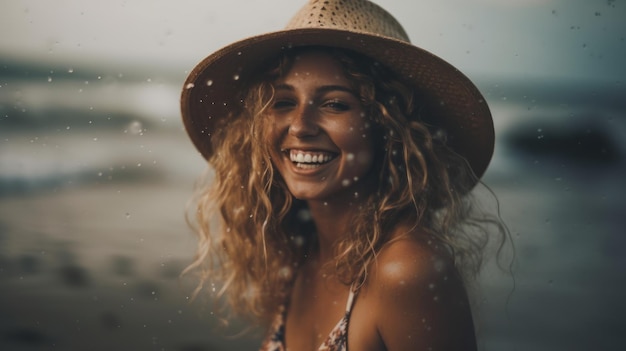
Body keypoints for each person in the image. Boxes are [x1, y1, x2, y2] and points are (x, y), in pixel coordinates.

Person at [180, 1, 507, 350]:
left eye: (335, 104)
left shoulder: (407, 269)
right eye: (282, 102)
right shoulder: (299, 251)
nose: (301, 126)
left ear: (389, 127)